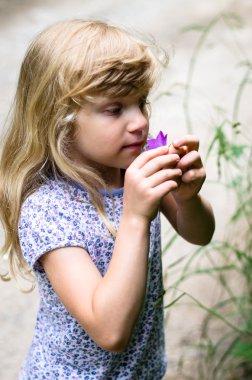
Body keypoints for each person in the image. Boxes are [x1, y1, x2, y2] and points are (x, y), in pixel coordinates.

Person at [0, 19, 215, 380]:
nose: (139, 123)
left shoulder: (134, 164)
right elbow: (109, 331)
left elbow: (200, 233)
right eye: (115, 109)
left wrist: (188, 197)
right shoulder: (49, 209)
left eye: (141, 103)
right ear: (60, 122)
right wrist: (134, 217)